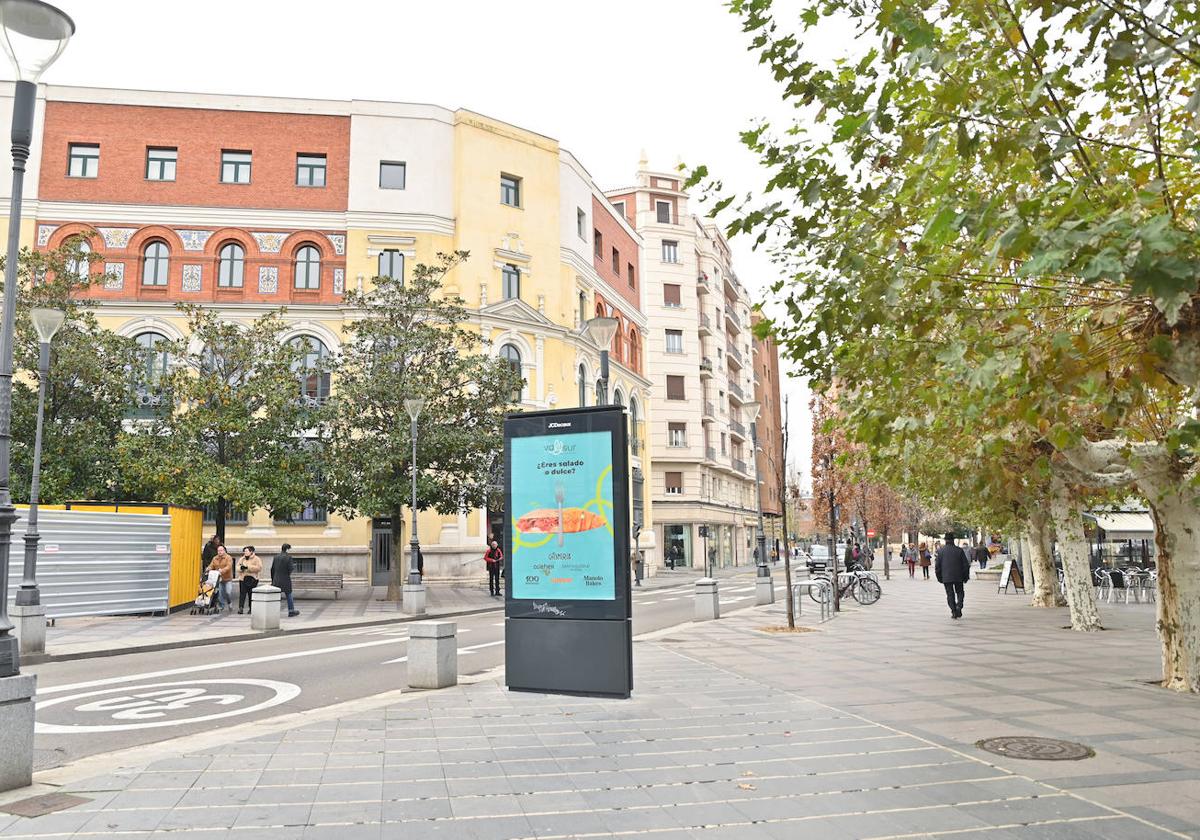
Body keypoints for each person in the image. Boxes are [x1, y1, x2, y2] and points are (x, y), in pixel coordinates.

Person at [935, 532, 971, 619]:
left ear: (945, 540)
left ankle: (954, 610)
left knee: (950, 594)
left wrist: (939, 578)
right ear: (953, 540)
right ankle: (959, 605)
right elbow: (965, 565)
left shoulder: (941, 551)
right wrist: (966, 577)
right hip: (959, 576)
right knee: (960, 592)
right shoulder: (959, 550)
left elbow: (937, 566)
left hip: (946, 576)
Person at [272, 543, 299, 617]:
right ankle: (291, 611)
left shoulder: (276, 557)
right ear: (287, 549)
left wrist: (273, 579)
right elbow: (290, 568)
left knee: (275, 596)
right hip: (285, 578)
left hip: (276, 579)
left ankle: (273, 611)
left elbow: (272, 569)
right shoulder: (288, 557)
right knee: (289, 594)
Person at [237, 545, 262, 614]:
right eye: (244, 551)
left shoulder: (256, 559)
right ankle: (241, 608)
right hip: (243, 578)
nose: (245, 552)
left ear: (251, 552)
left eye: (246, 551)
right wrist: (240, 568)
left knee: (251, 594)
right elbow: (237, 567)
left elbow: (259, 568)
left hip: (252, 578)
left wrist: (248, 567)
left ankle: (251, 608)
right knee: (242, 594)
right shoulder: (242, 559)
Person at [209, 545, 234, 612]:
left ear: (224, 551)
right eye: (218, 551)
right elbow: (211, 566)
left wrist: (222, 570)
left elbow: (228, 567)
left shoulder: (228, 558)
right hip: (218, 579)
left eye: (221, 550)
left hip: (227, 578)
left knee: (228, 592)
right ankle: (221, 606)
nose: (219, 552)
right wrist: (208, 569)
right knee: (220, 593)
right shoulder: (215, 558)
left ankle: (229, 602)